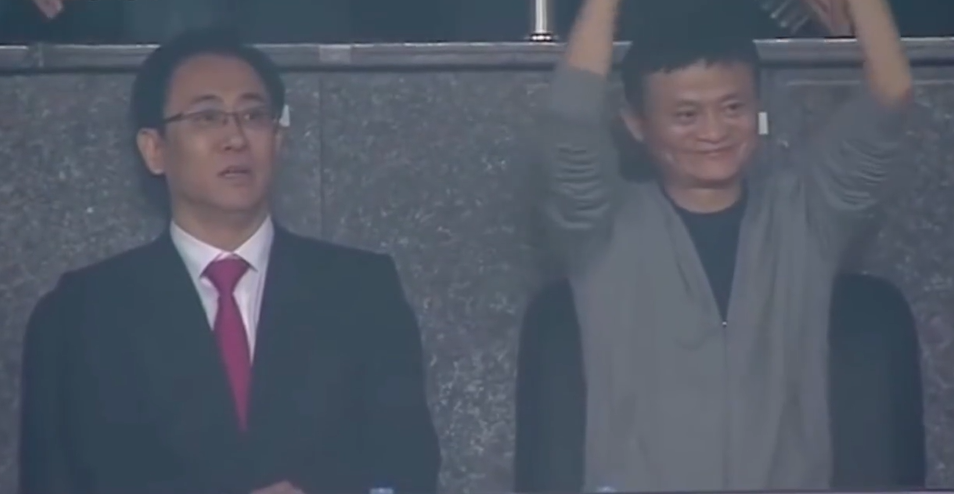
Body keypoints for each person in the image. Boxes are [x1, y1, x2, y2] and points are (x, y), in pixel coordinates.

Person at [19, 28, 440, 494]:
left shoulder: (360, 293)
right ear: (154, 149)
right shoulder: (81, 315)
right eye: (207, 117)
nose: (235, 137)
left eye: (253, 116)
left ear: (278, 140)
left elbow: (409, 472)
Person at [537, 0, 912, 490]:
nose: (713, 132)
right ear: (636, 123)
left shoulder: (806, 215)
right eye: (686, 115)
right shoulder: (603, 229)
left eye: (733, 108)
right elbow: (569, 118)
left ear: (758, 108)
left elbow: (892, 93)